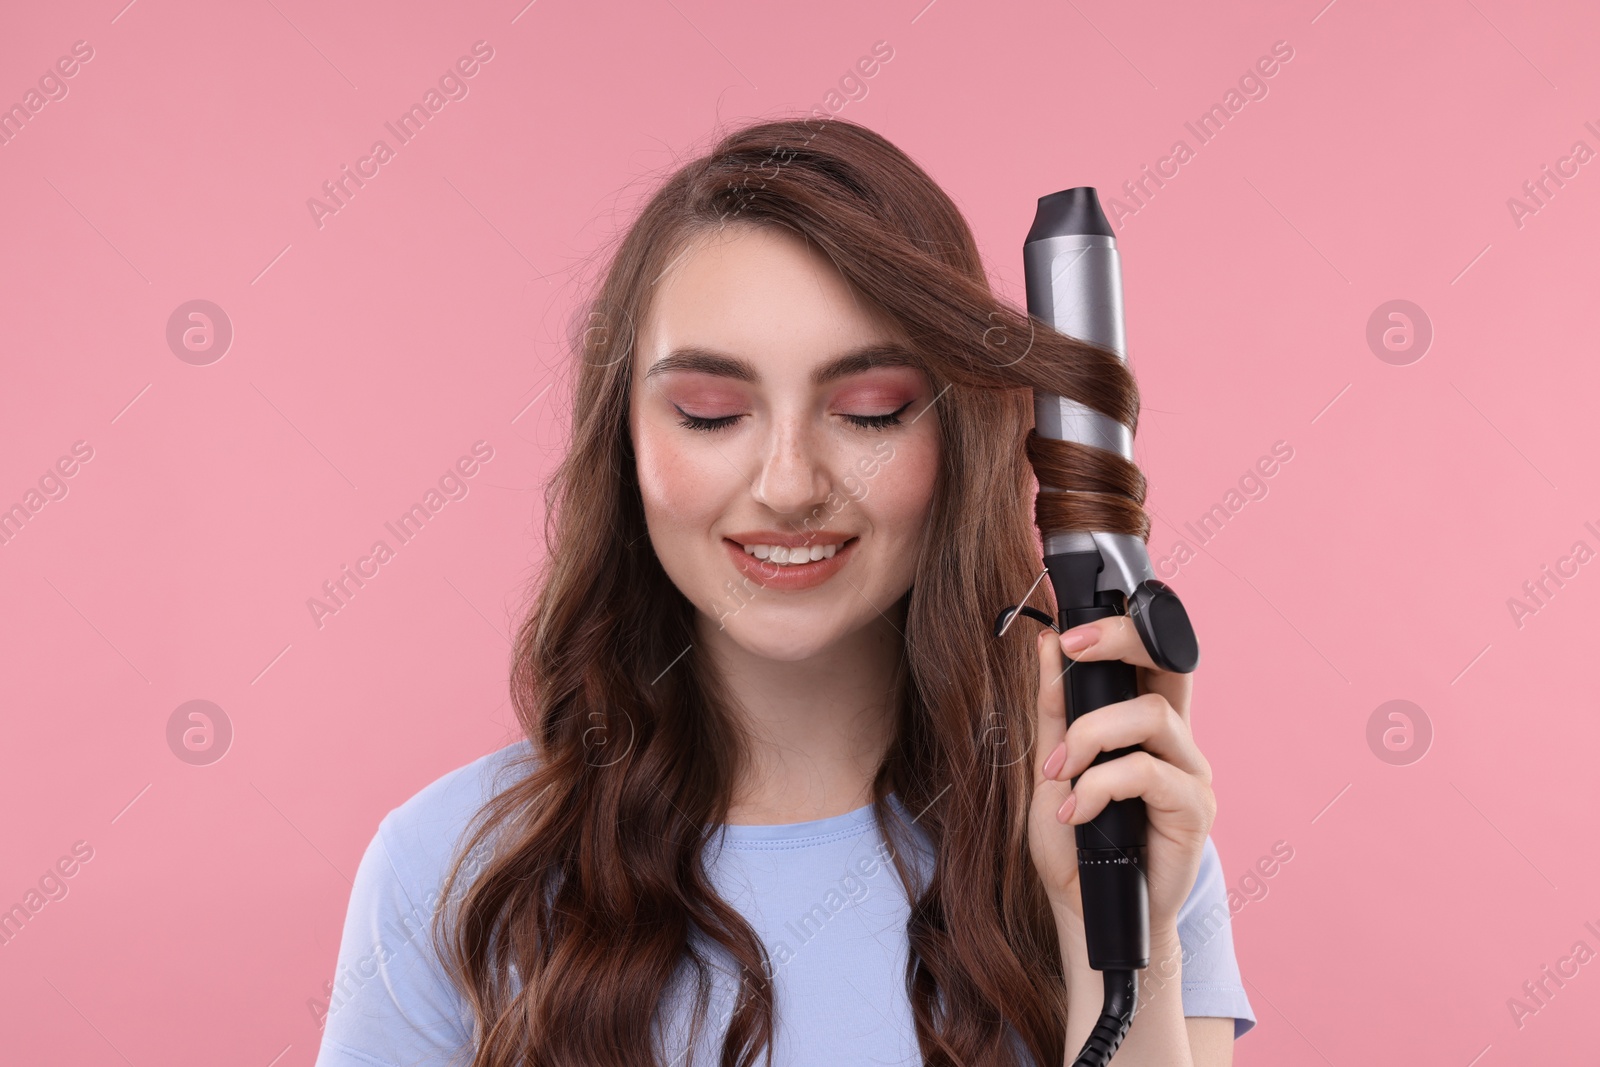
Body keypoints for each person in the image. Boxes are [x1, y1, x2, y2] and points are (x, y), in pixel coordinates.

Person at [313, 116, 1255, 1067]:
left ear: (956, 439)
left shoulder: (1117, 823)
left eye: (869, 411)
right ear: (628, 443)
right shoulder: (451, 869)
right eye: (711, 414)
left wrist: (1117, 935)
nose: (789, 484)